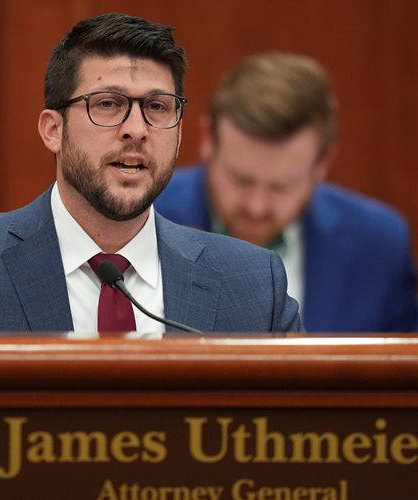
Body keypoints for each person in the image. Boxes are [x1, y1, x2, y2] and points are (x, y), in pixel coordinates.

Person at [0, 13, 301, 335]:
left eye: (157, 107)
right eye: (107, 104)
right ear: (53, 130)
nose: (137, 129)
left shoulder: (252, 284)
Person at [154, 51, 418, 332]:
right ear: (208, 140)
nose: (257, 207)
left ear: (323, 164)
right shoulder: (145, 219)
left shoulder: (379, 244)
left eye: (282, 187)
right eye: (241, 180)